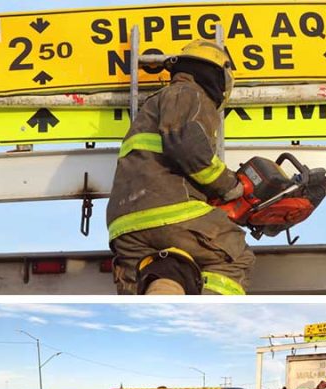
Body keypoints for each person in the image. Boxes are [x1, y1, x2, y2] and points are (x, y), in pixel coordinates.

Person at [107, 40, 255, 295]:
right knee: (233, 252)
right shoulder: (189, 93)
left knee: (152, 279)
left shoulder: (152, 107)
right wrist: (229, 186)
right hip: (168, 210)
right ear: (218, 75)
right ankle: (208, 316)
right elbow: (185, 145)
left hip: (123, 226)